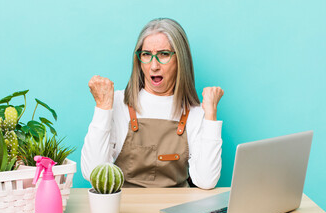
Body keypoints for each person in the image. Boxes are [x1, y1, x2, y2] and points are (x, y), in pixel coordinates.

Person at [81, 18, 224, 189]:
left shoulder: (195, 112)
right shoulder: (118, 103)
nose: (154, 66)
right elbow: (92, 172)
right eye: (146, 55)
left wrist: (210, 117)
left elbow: (207, 181)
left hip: (177, 211)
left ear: (181, 59)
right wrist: (103, 108)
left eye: (164, 54)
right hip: (126, 210)